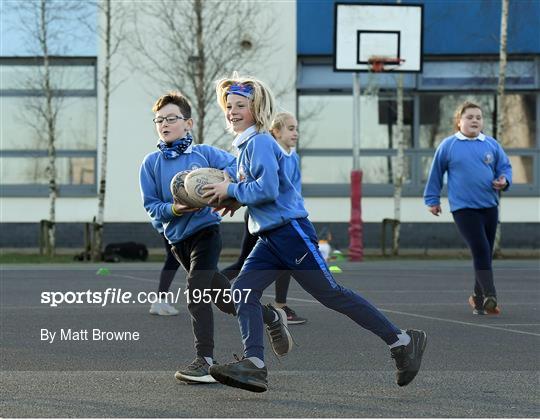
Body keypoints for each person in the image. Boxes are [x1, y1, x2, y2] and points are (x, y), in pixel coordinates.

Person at [202, 75, 427, 393]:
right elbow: (258, 189)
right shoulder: (246, 146)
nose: (232, 111)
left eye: (241, 105)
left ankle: (402, 340)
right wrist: (234, 200)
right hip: (269, 238)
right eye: (229, 106)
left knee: (332, 295)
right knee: (243, 293)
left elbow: (267, 189)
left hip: (290, 233)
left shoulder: (261, 142)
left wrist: (232, 188)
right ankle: (254, 364)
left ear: (257, 108)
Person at [139, 91, 293, 384]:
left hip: (206, 233)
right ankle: (271, 317)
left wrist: (228, 187)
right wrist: (176, 207)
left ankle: (205, 360)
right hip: (177, 241)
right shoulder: (151, 163)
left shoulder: (204, 154)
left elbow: (239, 167)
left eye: (172, 118)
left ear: (188, 123)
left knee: (195, 292)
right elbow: (152, 208)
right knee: (224, 300)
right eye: (159, 120)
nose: (164, 124)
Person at [424, 101, 512, 315]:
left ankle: (478, 299)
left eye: (478, 118)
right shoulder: (449, 145)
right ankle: (491, 294)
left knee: (485, 253)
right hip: (463, 208)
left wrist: (504, 180)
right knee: (480, 248)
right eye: (470, 117)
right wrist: (432, 199)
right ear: (459, 121)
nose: (474, 121)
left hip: (489, 206)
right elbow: (436, 173)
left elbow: (505, 168)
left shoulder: (491, 144)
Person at [222, 112, 307, 325]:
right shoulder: (267, 150)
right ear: (275, 132)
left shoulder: (293, 156)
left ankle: (280, 305)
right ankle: (212, 286)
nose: (295, 133)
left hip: (283, 219)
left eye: (296, 128)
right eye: (290, 128)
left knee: (284, 262)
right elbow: (261, 188)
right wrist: (234, 194)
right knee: (245, 262)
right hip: (261, 218)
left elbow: (291, 191)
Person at [148, 220, 180, 316]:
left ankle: (160, 301)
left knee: (174, 258)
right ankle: (160, 301)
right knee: (174, 258)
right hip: (172, 223)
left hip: (169, 223)